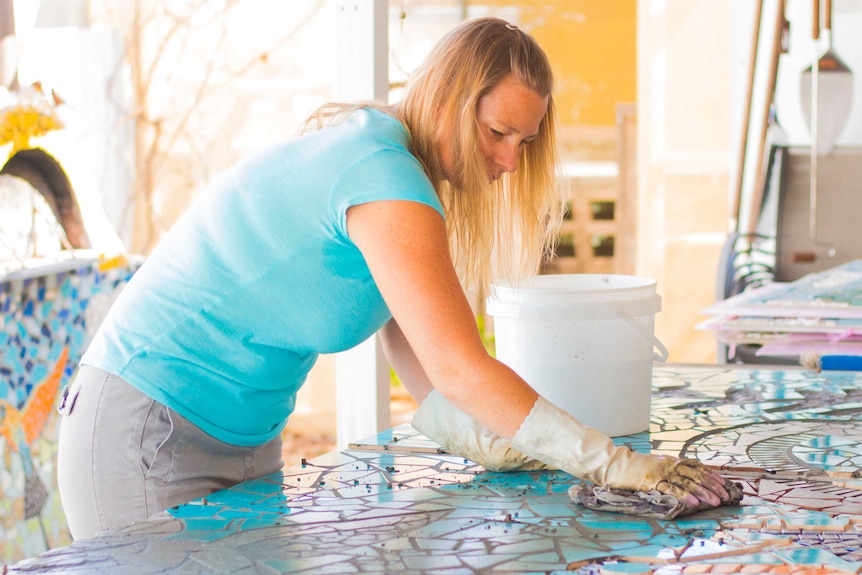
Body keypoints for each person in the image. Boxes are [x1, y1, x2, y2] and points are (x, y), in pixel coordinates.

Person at [57, 16, 730, 540]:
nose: (509, 161)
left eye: (523, 142)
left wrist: (508, 447)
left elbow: (430, 380)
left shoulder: (390, 166)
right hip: (145, 426)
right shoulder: (384, 180)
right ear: (447, 99)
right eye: (498, 132)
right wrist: (610, 462)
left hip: (244, 437)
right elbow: (463, 368)